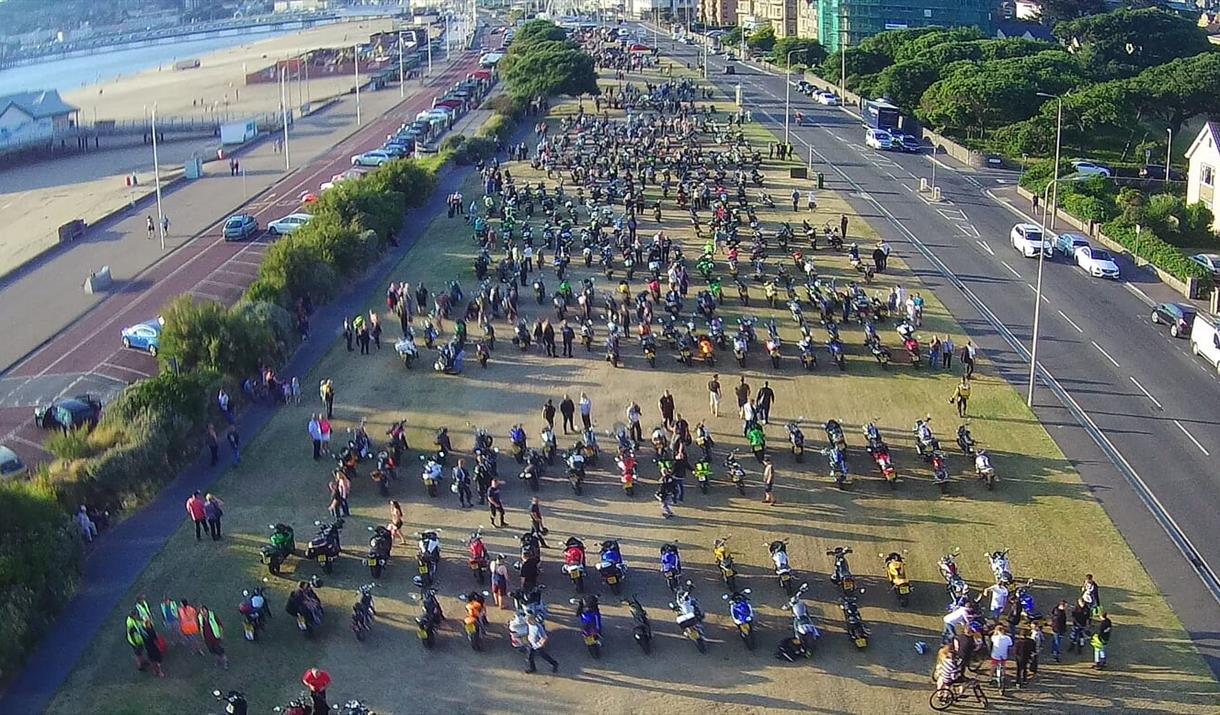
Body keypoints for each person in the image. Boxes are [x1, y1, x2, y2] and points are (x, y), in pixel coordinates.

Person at [198, 604, 229, 670]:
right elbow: (200, 627)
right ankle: (218, 660)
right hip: (207, 639)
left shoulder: (212, 615)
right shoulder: (200, 617)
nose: (203, 612)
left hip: (215, 637)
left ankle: (225, 662)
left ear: (207, 610)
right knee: (212, 650)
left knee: (219, 650)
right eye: (201, 611)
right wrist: (202, 636)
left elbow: (220, 624)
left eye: (204, 610)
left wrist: (221, 634)